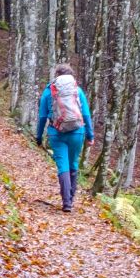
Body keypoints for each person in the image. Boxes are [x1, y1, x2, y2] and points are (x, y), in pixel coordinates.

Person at [35, 64, 94, 212]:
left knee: (63, 166)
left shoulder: (49, 92)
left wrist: (38, 137)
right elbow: (86, 114)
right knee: (73, 163)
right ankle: (71, 198)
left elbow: (42, 117)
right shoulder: (77, 91)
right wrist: (90, 135)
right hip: (77, 132)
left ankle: (66, 202)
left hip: (56, 133)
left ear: (57, 76)